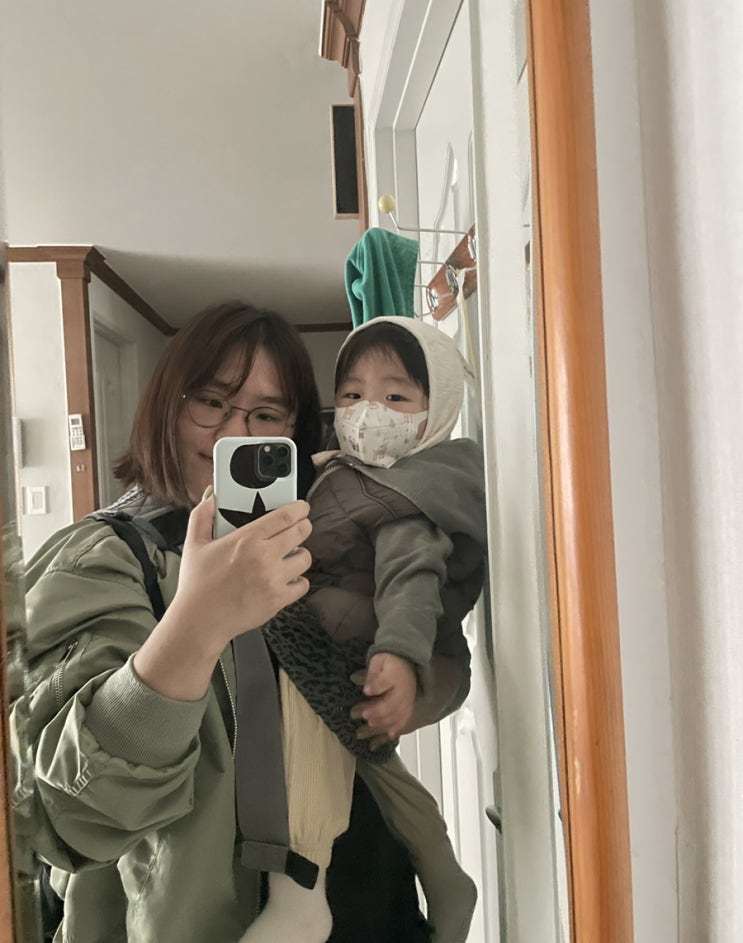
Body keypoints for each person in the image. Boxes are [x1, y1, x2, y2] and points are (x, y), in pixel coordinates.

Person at [10, 301, 470, 943]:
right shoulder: (107, 558)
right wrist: (197, 623)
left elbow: (441, 653)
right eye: (211, 402)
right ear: (166, 407)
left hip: (373, 899)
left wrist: (410, 688)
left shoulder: (318, 531)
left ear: (294, 432)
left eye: (265, 415)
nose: (234, 433)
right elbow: (69, 814)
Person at [253, 317, 487, 943]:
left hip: (356, 649)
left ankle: (301, 887)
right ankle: (444, 875)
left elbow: (412, 579)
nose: (367, 412)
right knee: (375, 763)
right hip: (341, 641)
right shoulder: (347, 472)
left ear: (436, 410)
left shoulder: (411, 492)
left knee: (316, 742)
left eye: (395, 396)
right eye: (352, 394)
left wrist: (400, 656)